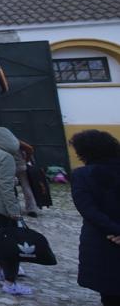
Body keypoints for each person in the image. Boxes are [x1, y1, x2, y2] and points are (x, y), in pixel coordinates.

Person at [69, 130, 120, 306]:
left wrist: (115, 231)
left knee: (110, 291)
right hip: (107, 237)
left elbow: (89, 210)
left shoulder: (82, 175)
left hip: (104, 238)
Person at [0, 126, 31, 296]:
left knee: (1, 238)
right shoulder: (6, 157)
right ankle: (10, 282)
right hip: (1, 205)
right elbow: (6, 188)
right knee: (11, 244)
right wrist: (14, 211)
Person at [16, 140, 40, 217]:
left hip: (8, 167)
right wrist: (26, 159)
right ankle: (32, 208)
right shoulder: (15, 141)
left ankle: (13, 208)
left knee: (8, 187)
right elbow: (29, 149)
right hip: (21, 166)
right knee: (26, 187)